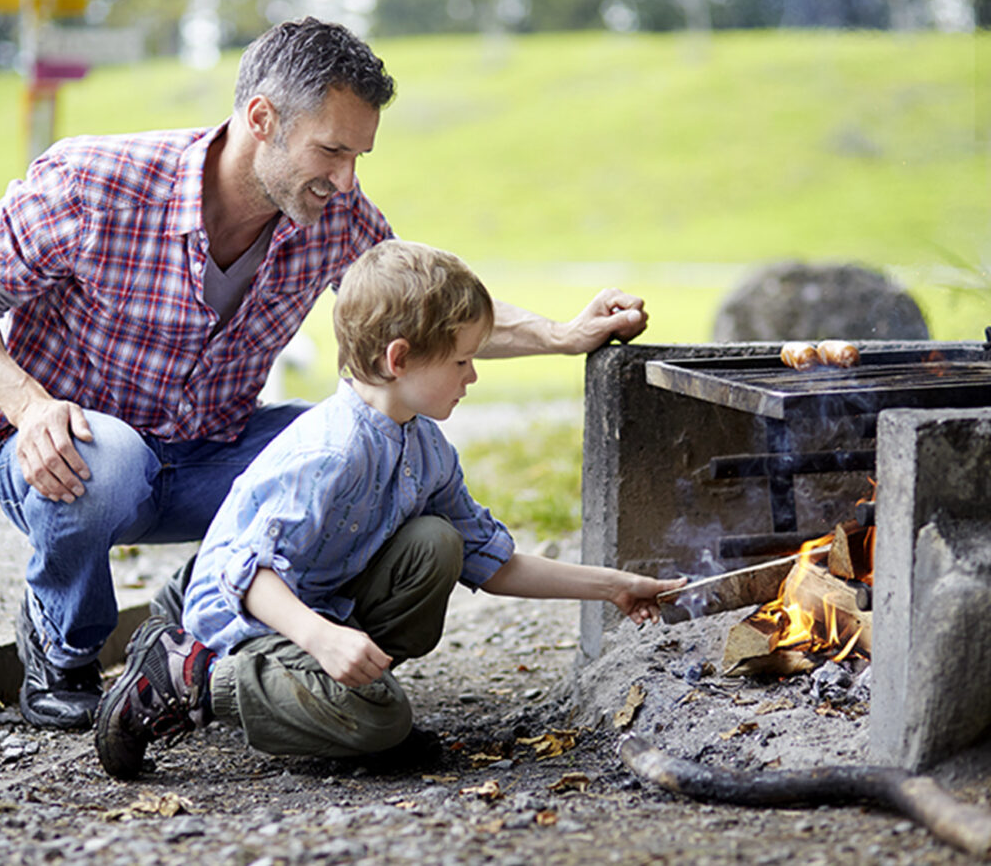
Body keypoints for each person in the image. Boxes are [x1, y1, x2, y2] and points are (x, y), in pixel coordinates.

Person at [0, 17, 649, 732]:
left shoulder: (332, 213)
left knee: (359, 441)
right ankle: (63, 645)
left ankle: (259, 648)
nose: (346, 178)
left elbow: (426, 318)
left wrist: (562, 334)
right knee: (110, 464)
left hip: (214, 453)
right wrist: (29, 405)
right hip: (73, 457)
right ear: (262, 118)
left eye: (358, 156)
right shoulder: (93, 181)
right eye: (331, 151)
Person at [93, 239, 682, 778]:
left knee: (437, 542)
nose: (473, 375)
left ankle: (330, 703)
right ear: (399, 359)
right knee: (382, 724)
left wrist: (615, 586)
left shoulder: (423, 445)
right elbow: (247, 574)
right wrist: (323, 640)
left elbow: (491, 561)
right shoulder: (330, 450)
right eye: (461, 361)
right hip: (248, 619)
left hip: (317, 607)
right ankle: (186, 677)